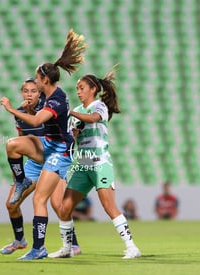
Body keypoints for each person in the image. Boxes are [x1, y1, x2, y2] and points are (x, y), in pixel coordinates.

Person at [0, 29, 87, 260]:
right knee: (12, 145)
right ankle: (21, 182)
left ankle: (42, 248)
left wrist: (10, 108)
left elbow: (38, 120)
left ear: (45, 80)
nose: (35, 82)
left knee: (43, 199)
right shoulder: (48, 97)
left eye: (37, 79)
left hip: (59, 151)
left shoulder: (56, 99)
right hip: (48, 145)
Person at [50, 65, 141, 259]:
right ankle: (67, 248)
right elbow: (74, 136)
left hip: (100, 162)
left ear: (93, 89)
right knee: (64, 208)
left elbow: (92, 118)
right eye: (77, 88)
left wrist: (71, 114)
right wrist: (72, 132)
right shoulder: (76, 110)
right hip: (82, 164)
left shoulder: (99, 106)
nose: (79, 91)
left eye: (82, 87)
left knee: (109, 207)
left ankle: (132, 247)